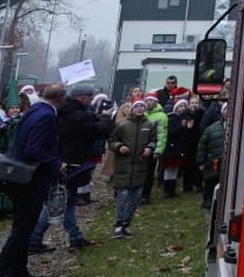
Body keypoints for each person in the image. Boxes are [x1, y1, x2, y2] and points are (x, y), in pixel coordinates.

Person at [0, 81, 65, 277]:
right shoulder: (46, 115)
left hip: (21, 175)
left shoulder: (35, 110)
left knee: (22, 226)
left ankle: (18, 269)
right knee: (23, 229)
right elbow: (33, 148)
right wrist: (56, 163)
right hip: (31, 178)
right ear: (61, 98)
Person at [27, 82, 110, 253]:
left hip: (63, 161)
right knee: (56, 202)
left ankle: (75, 236)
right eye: (90, 97)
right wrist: (104, 118)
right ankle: (34, 238)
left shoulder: (63, 112)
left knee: (67, 201)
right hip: (69, 164)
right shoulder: (77, 115)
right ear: (83, 97)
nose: (91, 100)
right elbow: (95, 131)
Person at [107, 99, 156, 239]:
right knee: (123, 197)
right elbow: (112, 141)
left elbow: (154, 140)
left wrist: (150, 148)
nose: (139, 108)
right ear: (132, 109)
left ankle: (127, 223)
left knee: (135, 198)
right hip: (123, 166)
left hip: (140, 166)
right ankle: (119, 224)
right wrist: (119, 147)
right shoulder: (123, 125)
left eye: (142, 106)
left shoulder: (149, 125)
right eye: (137, 106)